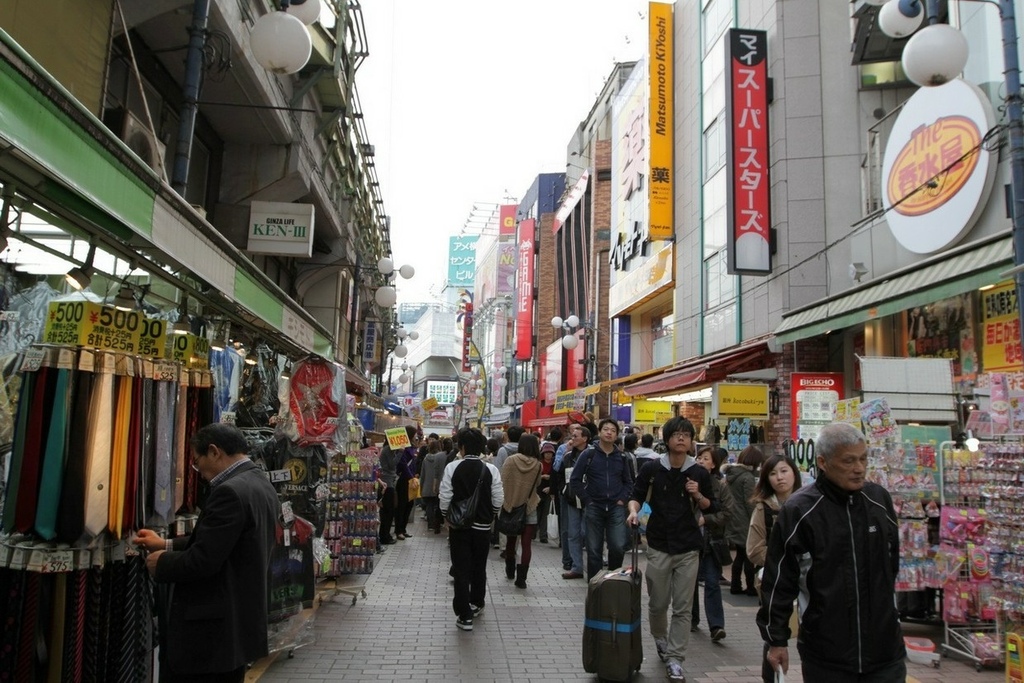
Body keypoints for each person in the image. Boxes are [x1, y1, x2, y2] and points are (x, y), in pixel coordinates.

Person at [757, 422, 905, 681]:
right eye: (848, 461)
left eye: (863, 459)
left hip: (884, 651)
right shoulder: (800, 511)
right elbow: (779, 579)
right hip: (826, 653)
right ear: (823, 462)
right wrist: (776, 639)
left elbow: (890, 565)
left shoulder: (879, 501)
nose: (859, 468)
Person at [133, 423, 280, 683]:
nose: (198, 471)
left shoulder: (229, 492)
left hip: (211, 633)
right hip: (236, 625)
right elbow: (222, 541)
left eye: (197, 461)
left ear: (214, 452)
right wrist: (166, 544)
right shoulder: (259, 483)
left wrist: (162, 563)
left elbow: (204, 561)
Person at [626, 416, 715, 683]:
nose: (681, 438)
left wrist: (698, 495)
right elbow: (636, 497)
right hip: (658, 545)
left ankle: (676, 658)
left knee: (683, 607)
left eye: (686, 435)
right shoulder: (652, 469)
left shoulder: (698, 473)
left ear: (691, 442)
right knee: (658, 603)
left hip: (688, 547)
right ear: (667, 440)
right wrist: (633, 512)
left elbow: (712, 506)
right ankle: (660, 639)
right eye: (676, 434)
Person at [439, 427, 504, 631]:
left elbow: (445, 497)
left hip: (459, 527)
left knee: (461, 569)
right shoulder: (490, 469)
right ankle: (477, 602)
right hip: (483, 527)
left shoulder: (453, 467)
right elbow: (498, 498)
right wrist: (491, 514)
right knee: (479, 566)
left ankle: (464, 614)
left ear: (462, 447)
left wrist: (446, 517)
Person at [570, 418, 634, 581]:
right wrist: (587, 499)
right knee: (593, 550)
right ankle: (595, 583)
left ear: (617, 435)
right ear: (599, 432)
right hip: (594, 507)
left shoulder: (621, 457)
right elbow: (575, 480)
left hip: (616, 508)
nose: (609, 432)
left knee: (618, 547)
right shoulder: (588, 454)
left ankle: (613, 581)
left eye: (613, 430)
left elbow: (628, 482)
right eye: (606, 429)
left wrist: (622, 499)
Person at [691, 446, 734, 642]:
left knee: (712, 582)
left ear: (714, 464)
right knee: (688, 582)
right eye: (699, 458)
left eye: (705, 458)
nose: (700, 461)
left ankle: (716, 626)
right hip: (689, 540)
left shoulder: (721, 486)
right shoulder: (688, 482)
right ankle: (691, 619)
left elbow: (727, 513)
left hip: (712, 541)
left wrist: (706, 520)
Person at [500, 433, 544, 588]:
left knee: (511, 540)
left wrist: (508, 500)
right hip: (529, 506)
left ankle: (510, 570)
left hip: (511, 506)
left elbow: (503, 481)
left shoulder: (510, 461)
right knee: (526, 545)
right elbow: (537, 483)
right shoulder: (538, 465)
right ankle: (522, 578)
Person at [727, 444, 763, 595]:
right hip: (744, 520)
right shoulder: (747, 477)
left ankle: (735, 585)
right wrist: (756, 518)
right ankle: (750, 587)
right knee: (748, 555)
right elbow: (750, 502)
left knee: (740, 555)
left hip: (734, 517)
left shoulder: (733, 474)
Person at [552, 425, 588, 578]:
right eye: (572, 436)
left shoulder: (592, 454)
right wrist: (564, 491)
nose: (572, 439)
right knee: (573, 533)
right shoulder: (568, 456)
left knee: (587, 532)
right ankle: (576, 567)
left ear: (585, 438)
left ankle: (592, 564)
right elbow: (559, 474)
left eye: (576, 436)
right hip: (571, 499)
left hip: (589, 500)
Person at [393, 426, 419, 540]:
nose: (416, 436)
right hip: (404, 480)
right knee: (402, 505)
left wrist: (415, 475)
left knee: (409, 504)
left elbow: (413, 464)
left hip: (412, 479)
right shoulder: (403, 448)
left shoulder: (413, 447)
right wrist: (411, 477)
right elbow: (403, 464)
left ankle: (403, 529)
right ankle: (399, 530)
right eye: (414, 434)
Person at [420, 438, 447, 533]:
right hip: (438, 485)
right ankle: (438, 523)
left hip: (427, 486)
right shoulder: (441, 458)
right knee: (438, 505)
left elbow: (422, 474)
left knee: (429, 506)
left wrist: (421, 486)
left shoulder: (425, 459)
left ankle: (430, 524)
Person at [377, 436, 399, 545]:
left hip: (387, 482)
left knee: (387, 512)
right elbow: (392, 464)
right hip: (387, 484)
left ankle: (385, 535)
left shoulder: (387, 449)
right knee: (388, 511)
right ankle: (384, 536)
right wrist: (401, 453)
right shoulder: (388, 450)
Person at [536, 441, 556, 543]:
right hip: (538, 491)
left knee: (545, 514)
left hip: (549, 491)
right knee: (537, 512)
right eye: (546, 453)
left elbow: (557, 477)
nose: (548, 454)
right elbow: (534, 478)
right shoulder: (539, 463)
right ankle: (533, 534)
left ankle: (543, 535)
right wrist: (542, 476)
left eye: (550, 453)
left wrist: (551, 487)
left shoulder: (554, 463)